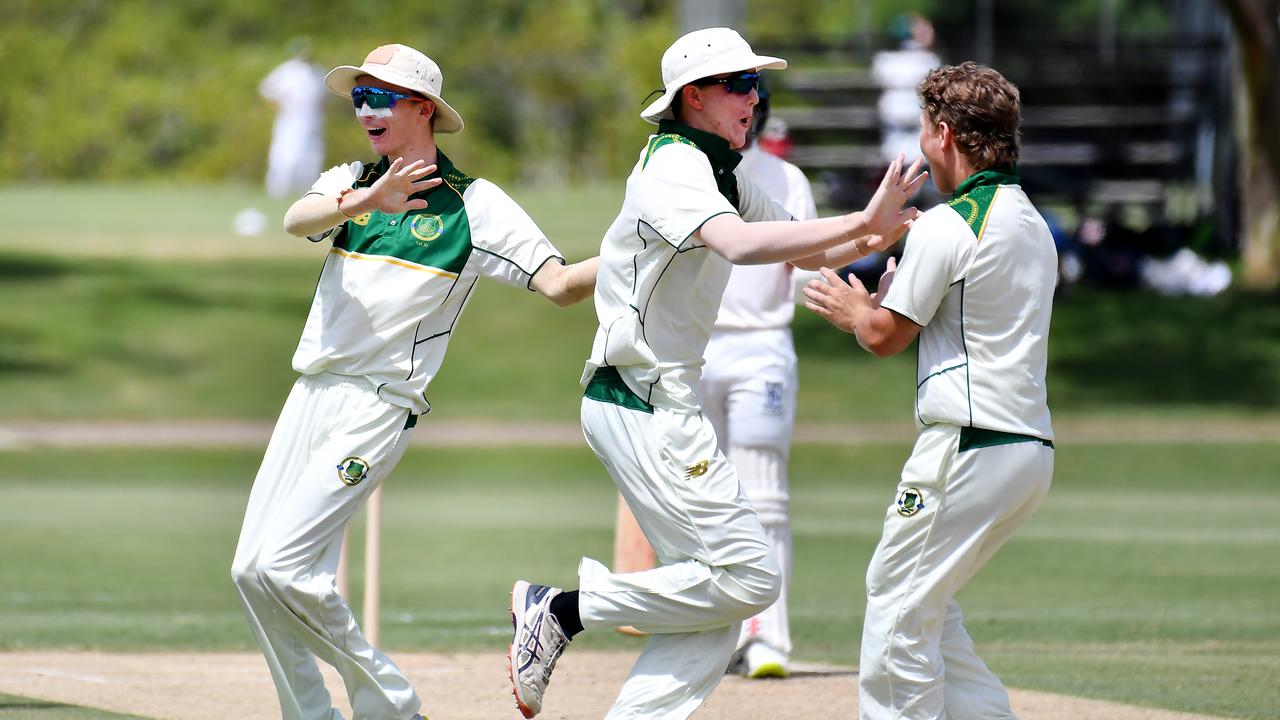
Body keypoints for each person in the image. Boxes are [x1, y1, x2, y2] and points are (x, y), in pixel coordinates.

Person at [506, 27, 926, 720]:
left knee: (716, 612)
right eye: (738, 84)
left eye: (756, 84)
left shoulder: (720, 169)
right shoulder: (672, 163)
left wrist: (883, 235)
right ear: (692, 97)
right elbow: (734, 242)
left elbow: (801, 246)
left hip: (656, 402)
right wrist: (862, 220)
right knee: (753, 578)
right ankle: (562, 609)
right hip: (641, 398)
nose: (753, 97)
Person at [231, 43, 597, 720]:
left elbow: (560, 285)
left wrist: (638, 250)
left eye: (380, 97)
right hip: (309, 393)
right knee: (250, 571)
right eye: (358, 97)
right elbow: (295, 220)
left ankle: (394, 708)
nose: (364, 109)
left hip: (378, 404)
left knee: (282, 567)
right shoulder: (349, 180)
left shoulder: (476, 206)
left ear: (422, 109)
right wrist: (368, 198)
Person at [803, 62, 1056, 720]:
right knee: (927, 606)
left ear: (944, 134)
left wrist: (855, 311)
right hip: (1027, 449)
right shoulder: (1031, 223)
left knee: (897, 607)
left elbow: (886, 336)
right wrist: (893, 305)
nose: (920, 142)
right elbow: (967, 316)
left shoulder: (952, 224)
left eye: (922, 129)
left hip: (968, 443)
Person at [609, 75, 819, 680]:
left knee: (766, 494)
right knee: (698, 498)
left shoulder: (785, 181)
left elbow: (805, 275)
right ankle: (715, 632)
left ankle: (769, 638)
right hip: (693, 351)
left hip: (762, 349)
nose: (748, 117)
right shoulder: (680, 169)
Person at [259, 37, 328, 199]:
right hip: (291, 119)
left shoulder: (318, 71)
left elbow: (324, 97)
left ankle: (308, 193)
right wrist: (280, 107)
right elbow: (266, 90)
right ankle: (278, 191)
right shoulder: (286, 71)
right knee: (286, 155)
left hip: (314, 120)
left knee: (312, 158)